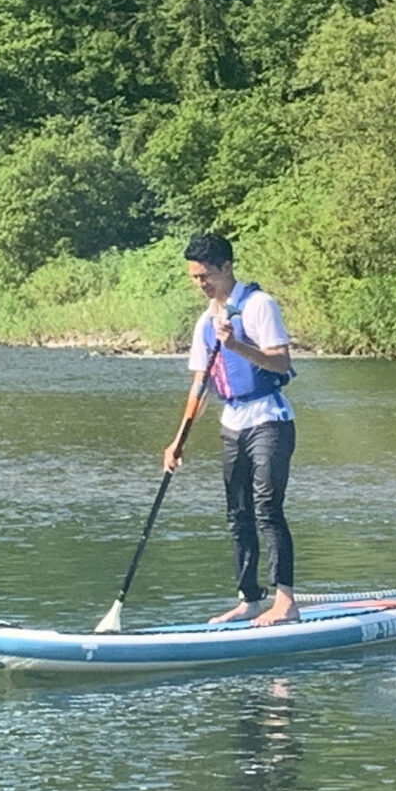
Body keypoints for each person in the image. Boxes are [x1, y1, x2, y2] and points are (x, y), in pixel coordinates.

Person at [163, 232, 299, 626]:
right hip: (233, 423)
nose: (200, 284)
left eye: (205, 275)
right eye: (193, 278)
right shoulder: (204, 322)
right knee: (237, 514)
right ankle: (249, 599)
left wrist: (237, 345)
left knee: (267, 508)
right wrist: (177, 442)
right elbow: (200, 386)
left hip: (270, 420)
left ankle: (285, 601)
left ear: (226, 267)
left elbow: (280, 362)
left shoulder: (259, 306)